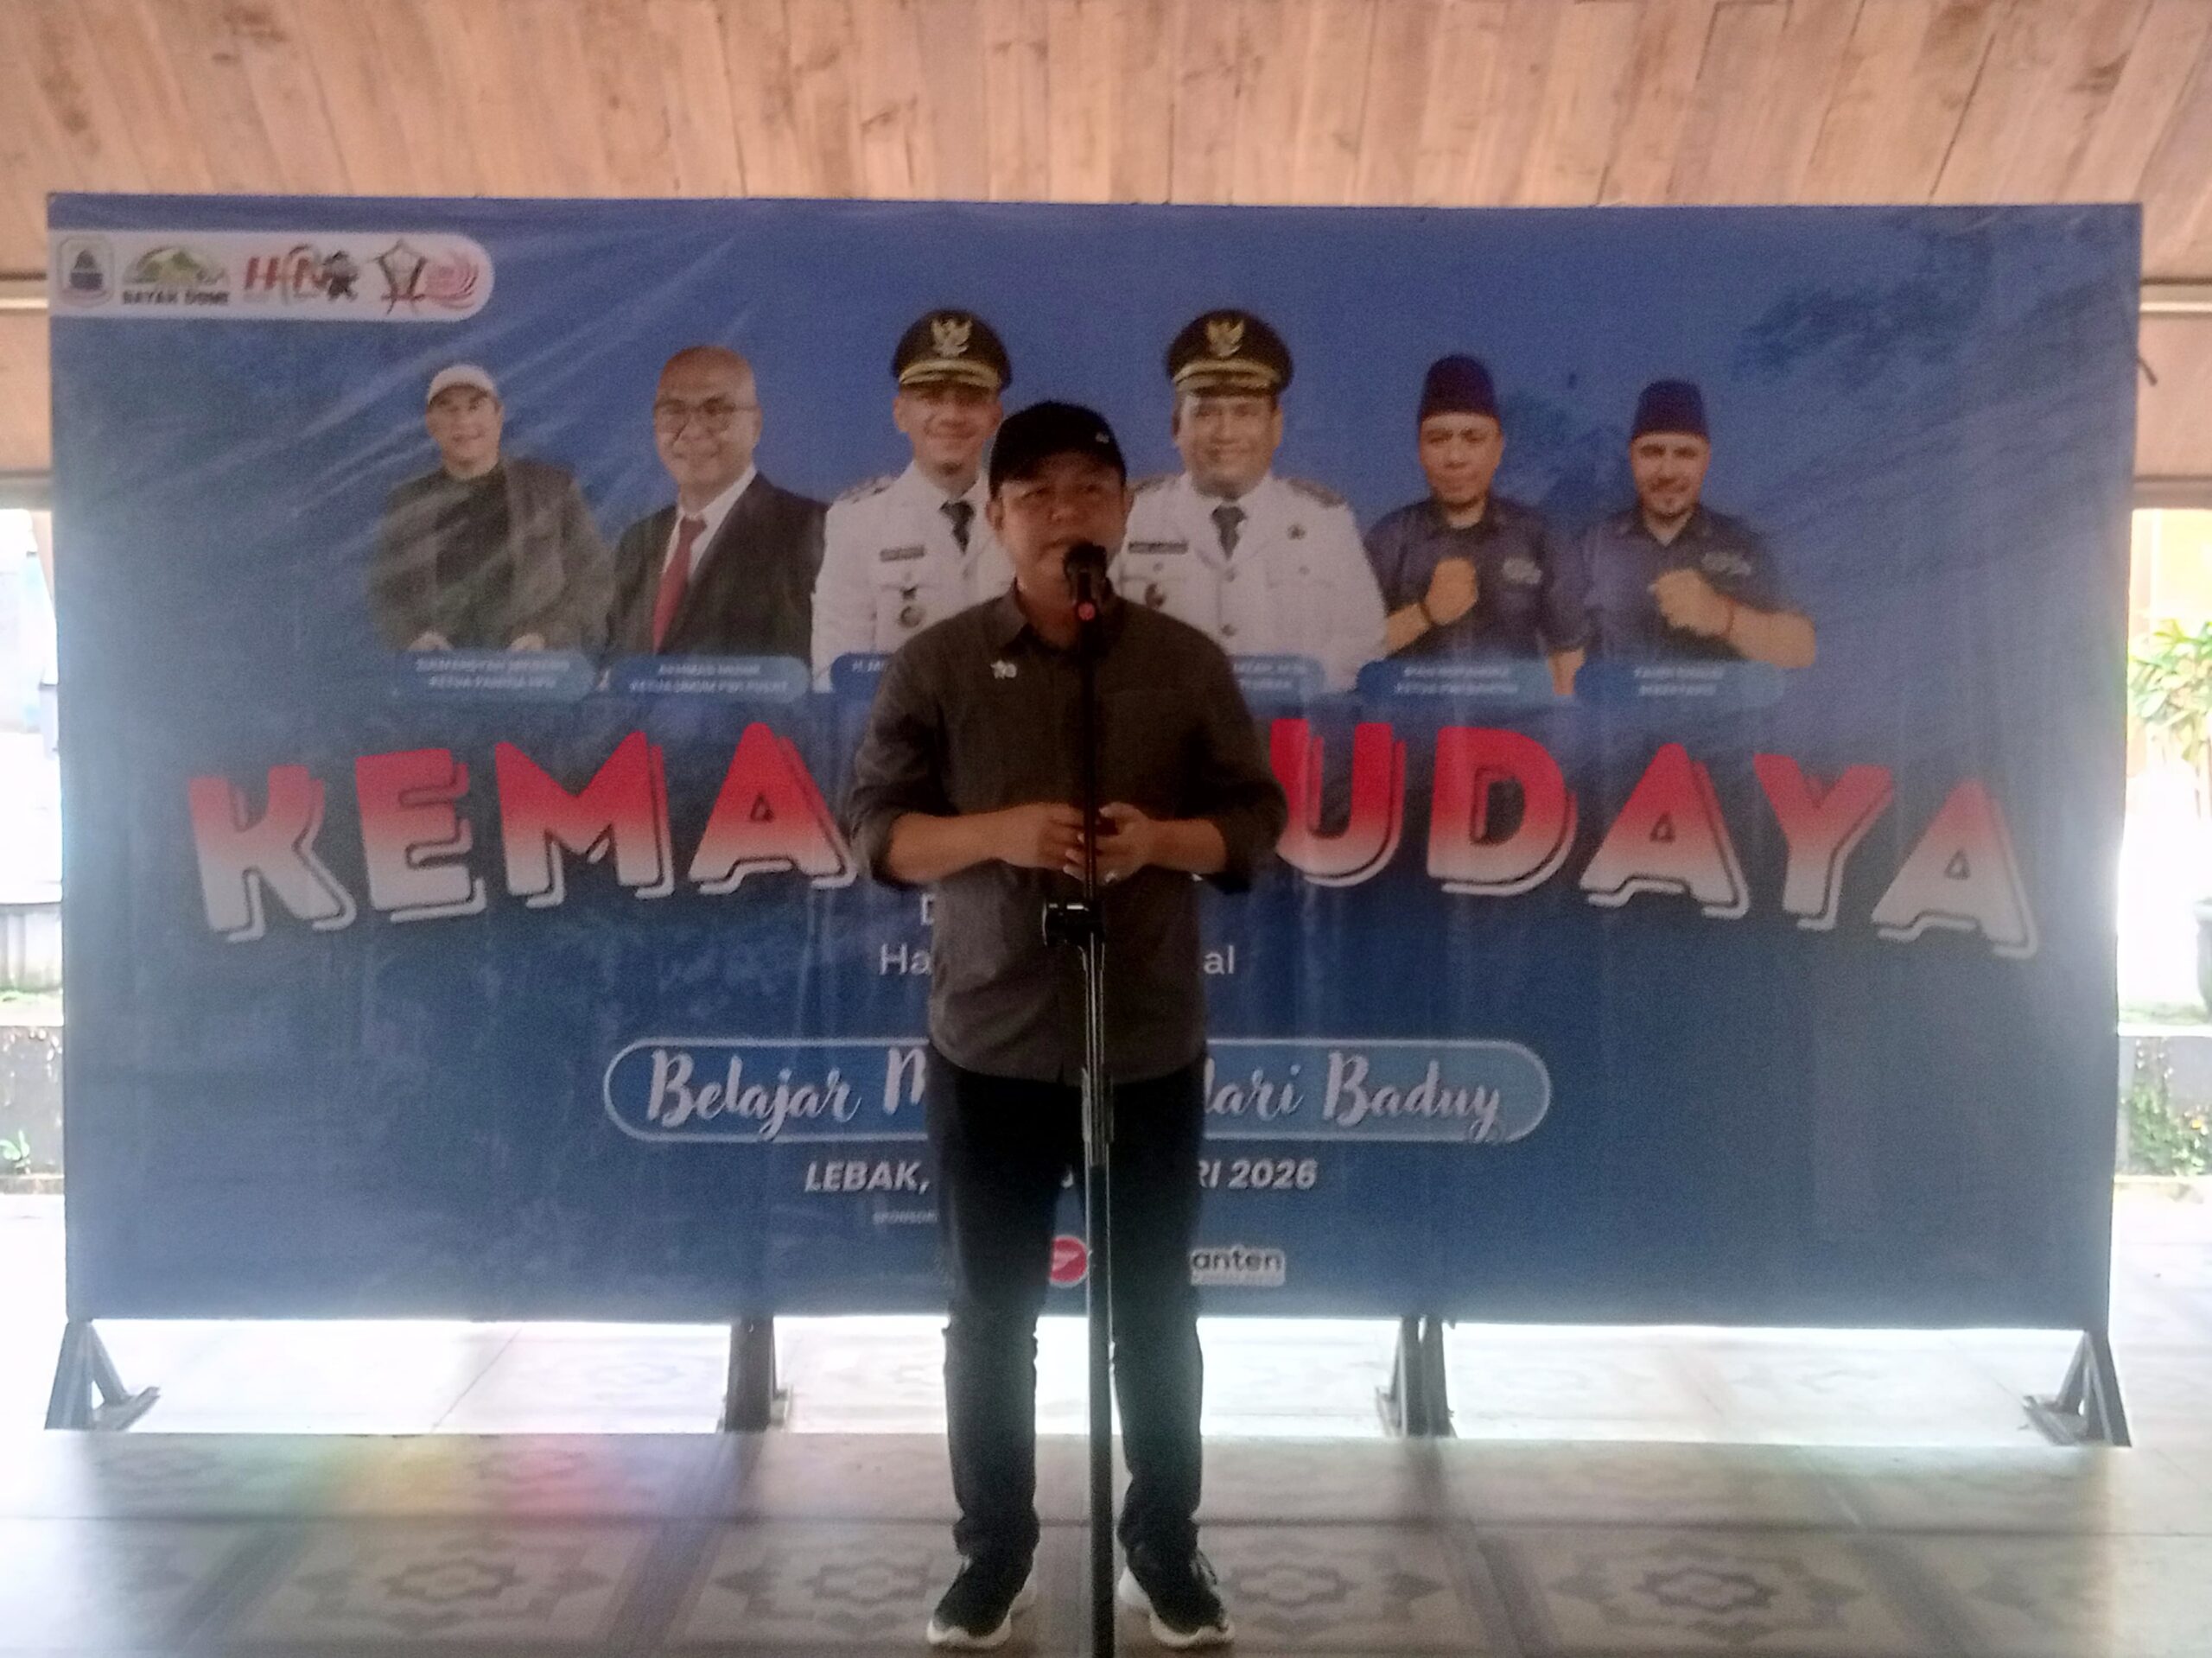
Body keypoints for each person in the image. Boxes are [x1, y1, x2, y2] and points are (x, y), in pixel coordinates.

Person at [845, 402, 1286, 1650]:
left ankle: (1164, 1545)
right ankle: (994, 1553)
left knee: (1153, 1309)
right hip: (989, 1041)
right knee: (991, 1313)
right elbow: (876, 832)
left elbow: (1253, 820)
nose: (1065, 512)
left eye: (1091, 488)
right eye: (1036, 493)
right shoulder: (937, 663)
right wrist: (998, 830)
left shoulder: (1182, 661)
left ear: (1125, 510)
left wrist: (1161, 839)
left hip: (1143, 1038)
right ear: (995, 517)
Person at [1117, 309, 1384, 692]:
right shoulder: (1130, 518)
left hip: (1288, 725)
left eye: (1245, 412)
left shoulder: (1325, 522)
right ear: (1176, 426)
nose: (1226, 433)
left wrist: (1281, 688)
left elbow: (1365, 645)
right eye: (1206, 413)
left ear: (1276, 426)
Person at [810, 309, 1014, 686]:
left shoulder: (1024, 515)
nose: (951, 415)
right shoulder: (857, 524)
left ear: (994, 416)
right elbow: (837, 677)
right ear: (900, 414)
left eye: (970, 398)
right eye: (931, 397)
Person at [1559, 379, 1816, 675]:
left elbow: (1802, 649)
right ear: (1632, 457)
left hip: (1717, 706)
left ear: (1705, 460)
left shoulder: (1743, 546)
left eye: (1685, 454)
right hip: (1619, 706)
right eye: (1652, 452)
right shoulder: (1591, 546)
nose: (1667, 471)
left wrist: (1722, 616)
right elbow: (1552, 650)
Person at [1364, 355, 1585, 690]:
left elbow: (1568, 661)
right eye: (1438, 439)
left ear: (1498, 448)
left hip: (1515, 721)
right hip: (1411, 719)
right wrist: (1424, 614)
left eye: (1473, 438)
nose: (1455, 457)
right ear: (1420, 449)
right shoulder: (1388, 540)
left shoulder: (1541, 538)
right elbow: (1350, 658)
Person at [370, 364, 611, 651]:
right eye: (449, 409)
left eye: (475, 407)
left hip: (535, 670)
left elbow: (595, 580)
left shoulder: (552, 488)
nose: (463, 421)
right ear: (431, 424)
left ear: (498, 416)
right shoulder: (408, 501)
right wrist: (413, 638)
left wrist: (546, 636)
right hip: (440, 672)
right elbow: (385, 592)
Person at [607, 346, 823, 657]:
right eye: (673, 412)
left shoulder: (810, 530)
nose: (693, 431)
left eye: (716, 411)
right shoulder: (637, 542)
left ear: (756, 425)